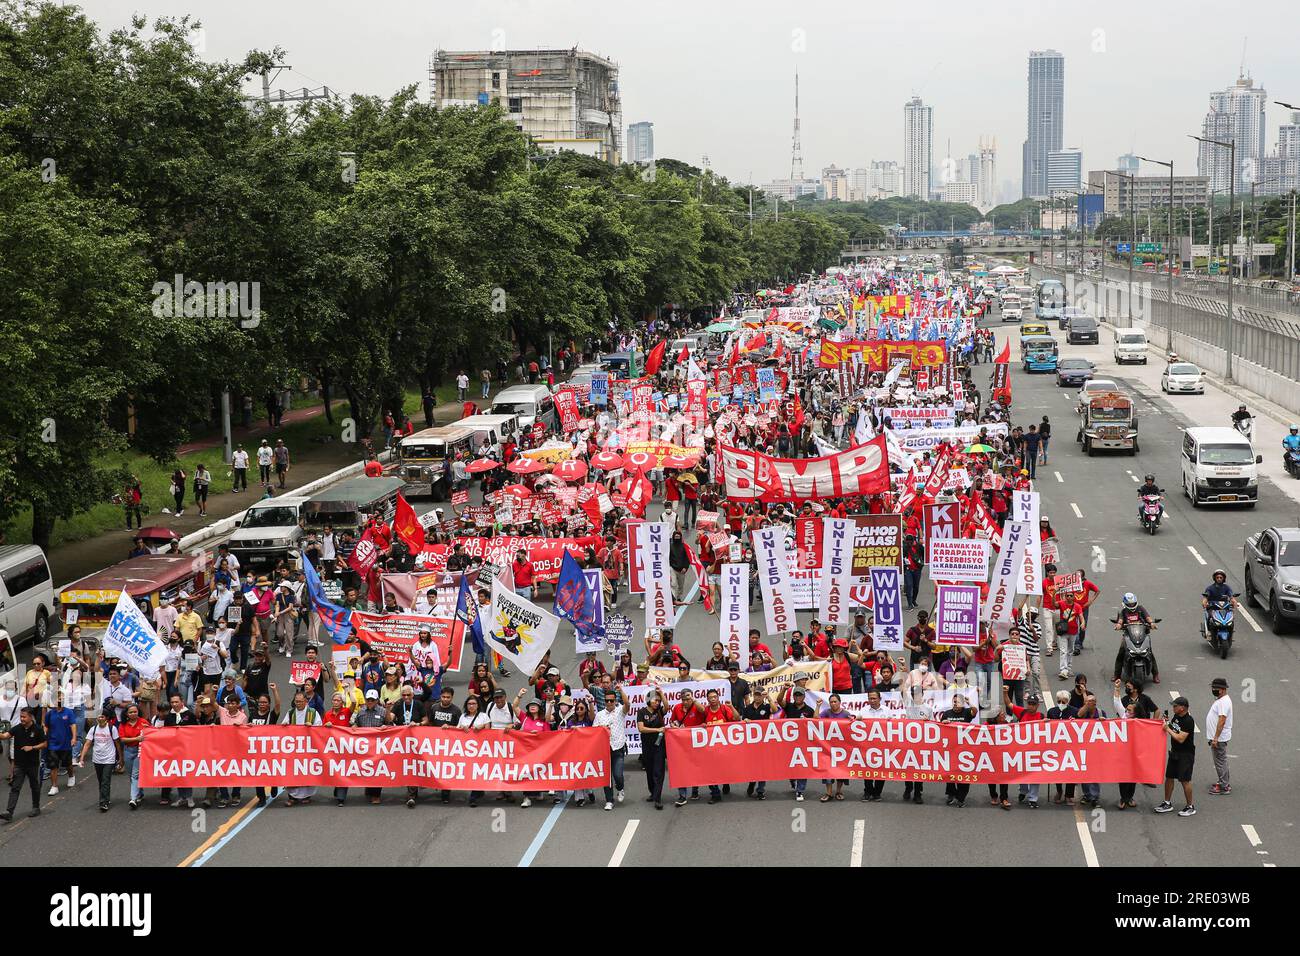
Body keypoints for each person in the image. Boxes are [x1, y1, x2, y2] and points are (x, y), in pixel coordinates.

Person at [0, 707, 46, 821]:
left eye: (24, 716)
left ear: (30, 717)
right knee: (15, 787)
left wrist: (32, 747)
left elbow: (45, 744)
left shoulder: (38, 729)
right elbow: (5, 736)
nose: (22, 719)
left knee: (34, 786)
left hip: (32, 764)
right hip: (19, 765)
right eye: (21, 716)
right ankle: (9, 812)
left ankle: (36, 807)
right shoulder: (17, 728)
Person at [1154, 697, 1197, 817]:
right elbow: (1174, 729)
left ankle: (1190, 806)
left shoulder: (1188, 720)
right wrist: (1167, 723)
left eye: (1175, 706)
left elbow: (1180, 738)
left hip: (1185, 755)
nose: (1173, 708)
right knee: (1169, 777)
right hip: (1174, 753)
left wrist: (1167, 729)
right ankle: (1167, 803)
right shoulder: (1176, 717)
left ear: (1182, 707)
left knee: (1185, 780)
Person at [593, 684, 629, 811]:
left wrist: (622, 691)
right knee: (607, 777)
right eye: (607, 700)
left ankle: (620, 788)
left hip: (618, 747)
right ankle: (609, 800)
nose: (609, 702)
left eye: (611, 700)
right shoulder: (600, 715)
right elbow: (594, 731)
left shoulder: (620, 711)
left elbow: (627, 704)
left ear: (615, 701)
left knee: (618, 775)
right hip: (604, 749)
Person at [78, 711, 122, 812]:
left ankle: (103, 802)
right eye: (99, 717)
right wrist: (82, 758)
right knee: (101, 781)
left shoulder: (112, 729)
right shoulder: (93, 729)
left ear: (106, 718)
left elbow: (117, 744)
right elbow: (87, 744)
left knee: (105, 780)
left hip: (109, 759)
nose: (100, 719)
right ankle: (106, 798)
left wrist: (120, 758)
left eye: (102, 717)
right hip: (97, 759)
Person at [637, 689, 669, 810]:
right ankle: (653, 792)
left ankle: (657, 798)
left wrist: (662, 694)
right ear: (649, 700)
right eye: (655, 700)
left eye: (659, 701)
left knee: (658, 772)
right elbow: (641, 728)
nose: (657, 703)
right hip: (647, 746)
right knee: (649, 771)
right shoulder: (641, 712)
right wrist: (657, 730)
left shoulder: (659, 711)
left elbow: (667, 707)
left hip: (659, 746)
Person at [1206, 677, 1233, 796]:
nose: (1213, 689)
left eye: (1215, 688)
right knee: (1222, 760)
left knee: (1220, 761)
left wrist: (1216, 738)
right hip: (1218, 737)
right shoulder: (1222, 700)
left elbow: (1222, 720)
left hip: (1219, 738)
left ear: (1222, 690)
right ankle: (1224, 782)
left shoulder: (1224, 702)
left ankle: (1223, 786)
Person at [1200, 570, 1239, 642]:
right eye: (1217, 577)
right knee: (1210, 618)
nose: (1219, 579)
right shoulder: (1210, 588)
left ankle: (1230, 634)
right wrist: (1204, 602)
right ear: (1215, 578)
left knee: (1231, 620)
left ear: (1223, 578)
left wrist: (1234, 603)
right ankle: (1209, 633)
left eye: (1221, 577)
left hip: (1225, 608)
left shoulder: (1227, 588)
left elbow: (1231, 597)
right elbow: (1206, 597)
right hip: (1213, 608)